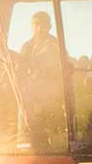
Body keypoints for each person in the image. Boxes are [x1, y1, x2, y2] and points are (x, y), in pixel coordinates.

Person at [16, 11, 66, 151]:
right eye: (36, 24)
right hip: (31, 95)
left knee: (54, 130)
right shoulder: (26, 46)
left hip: (52, 94)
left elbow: (62, 67)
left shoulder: (56, 45)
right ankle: (25, 145)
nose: (40, 28)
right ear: (32, 26)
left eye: (43, 24)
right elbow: (21, 70)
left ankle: (56, 147)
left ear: (49, 26)